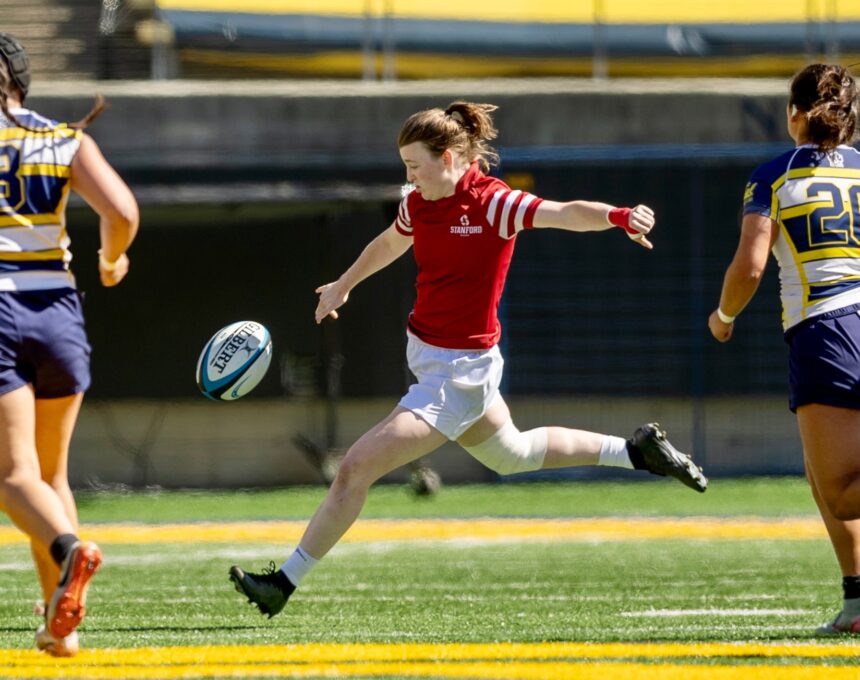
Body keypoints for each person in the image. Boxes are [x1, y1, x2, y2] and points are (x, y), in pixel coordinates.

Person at [230, 101, 708, 618]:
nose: (408, 177)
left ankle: (284, 582)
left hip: (458, 375)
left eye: (415, 165)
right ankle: (637, 451)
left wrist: (618, 217)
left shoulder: (492, 204)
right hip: (439, 364)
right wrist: (344, 285)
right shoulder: (418, 202)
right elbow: (391, 241)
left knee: (354, 469)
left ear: (452, 156)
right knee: (514, 455)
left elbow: (563, 212)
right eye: (405, 166)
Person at [708, 63, 860, 635]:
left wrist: (723, 318)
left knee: (842, 494)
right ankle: (857, 599)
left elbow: (749, 267)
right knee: (822, 476)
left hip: (828, 329)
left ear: (794, 112)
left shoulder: (775, 175)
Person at [0, 34, 139, 655]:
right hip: (57, 311)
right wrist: (111, 261)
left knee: (11, 475)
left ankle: (68, 552)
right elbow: (122, 211)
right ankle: (64, 625)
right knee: (49, 474)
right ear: (22, 83)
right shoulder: (64, 138)